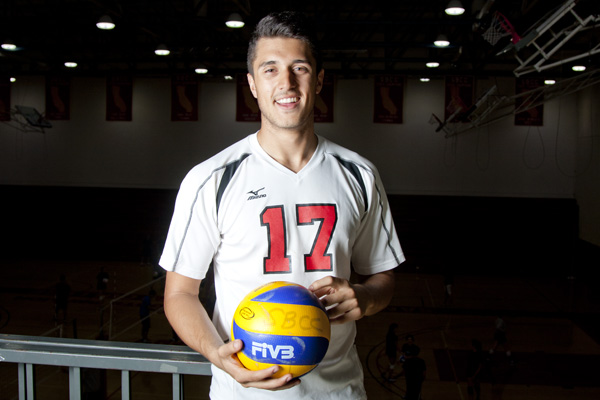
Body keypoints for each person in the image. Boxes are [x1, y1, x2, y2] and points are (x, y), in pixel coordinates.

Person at [160, 11, 404, 400]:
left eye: (300, 68)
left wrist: (367, 297)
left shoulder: (359, 174)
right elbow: (179, 293)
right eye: (270, 69)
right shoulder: (212, 178)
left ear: (319, 80)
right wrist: (216, 355)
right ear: (253, 85)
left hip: (339, 392)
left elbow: (383, 277)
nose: (286, 83)